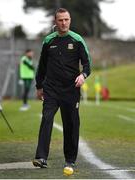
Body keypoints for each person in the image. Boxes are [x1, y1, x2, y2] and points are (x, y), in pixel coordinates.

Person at [32, 8, 92, 175]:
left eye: (66, 20)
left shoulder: (78, 40)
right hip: (51, 89)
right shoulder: (48, 41)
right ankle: (41, 157)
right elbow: (42, 66)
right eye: (60, 20)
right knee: (47, 118)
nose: (63, 23)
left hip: (71, 90)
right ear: (55, 21)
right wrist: (39, 86)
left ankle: (70, 159)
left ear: (70, 20)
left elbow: (87, 64)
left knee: (71, 124)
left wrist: (83, 75)